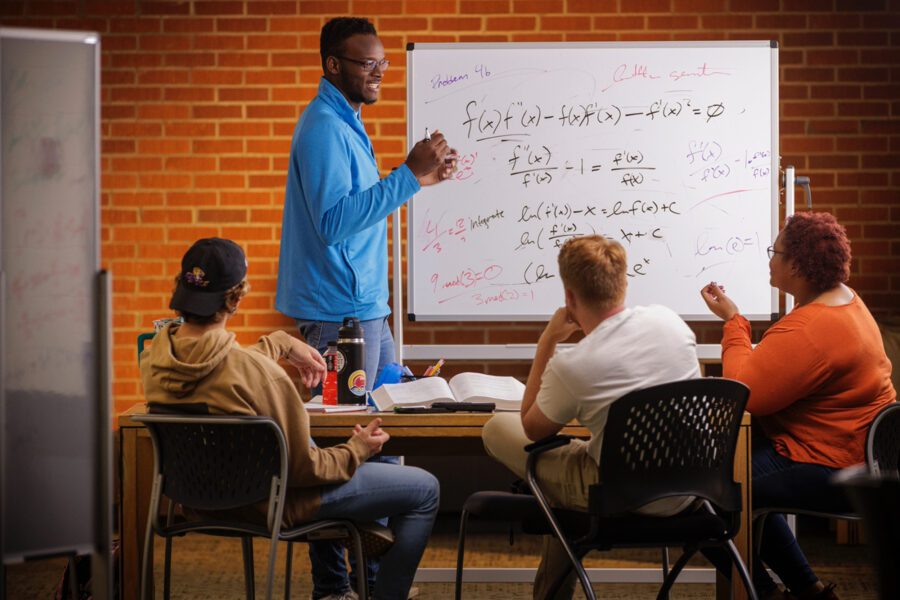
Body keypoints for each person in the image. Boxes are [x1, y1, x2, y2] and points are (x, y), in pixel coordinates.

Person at [140, 238, 439, 600]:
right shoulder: (263, 377)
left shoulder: (154, 361)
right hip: (273, 503)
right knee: (424, 488)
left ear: (183, 287)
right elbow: (304, 469)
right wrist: (356, 450)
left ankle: (352, 532)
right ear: (235, 300)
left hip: (196, 502)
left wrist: (279, 342)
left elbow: (223, 364)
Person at [276, 17, 455, 598]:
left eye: (382, 63)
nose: (378, 73)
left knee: (383, 446)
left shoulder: (347, 121)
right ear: (333, 65)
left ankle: (374, 583)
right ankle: (335, 589)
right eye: (366, 64)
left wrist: (417, 179)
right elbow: (332, 225)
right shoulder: (325, 127)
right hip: (337, 314)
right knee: (339, 451)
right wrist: (408, 175)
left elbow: (356, 208)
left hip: (365, 309)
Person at [481, 235, 701, 600]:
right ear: (624, 283)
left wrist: (547, 342)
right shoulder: (671, 322)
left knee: (496, 429)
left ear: (569, 297)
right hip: (690, 487)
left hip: (620, 494)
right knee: (571, 471)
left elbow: (533, 429)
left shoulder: (575, 364)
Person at [699, 211, 896, 600]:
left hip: (833, 465)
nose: (769, 259)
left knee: (700, 494)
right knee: (729, 467)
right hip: (863, 454)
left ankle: (767, 594)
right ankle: (811, 592)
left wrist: (733, 321)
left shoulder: (811, 328)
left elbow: (745, 392)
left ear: (798, 265)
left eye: (775, 251)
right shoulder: (848, 302)